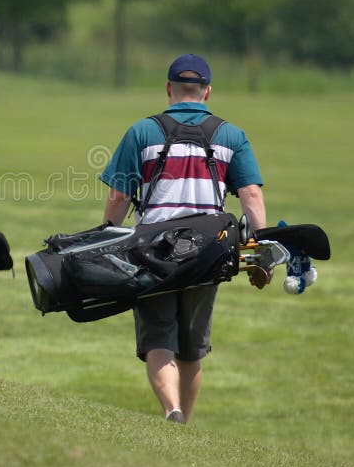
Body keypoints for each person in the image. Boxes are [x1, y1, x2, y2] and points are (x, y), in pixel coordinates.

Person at [99, 54, 268, 424]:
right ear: (207, 92)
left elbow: (120, 196)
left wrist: (107, 236)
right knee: (193, 347)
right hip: (210, 251)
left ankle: (171, 410)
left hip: (151, 251)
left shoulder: (142, 132)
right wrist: (258, 246)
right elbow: (251, 195)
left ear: (168, 88)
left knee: (159, 337)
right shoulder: (230, 135)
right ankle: (183, 426)